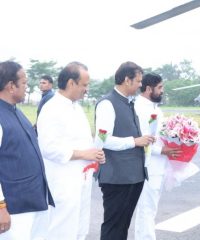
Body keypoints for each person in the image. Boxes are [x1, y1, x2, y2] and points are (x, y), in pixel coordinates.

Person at [37, 62, 105, 240]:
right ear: (71, 83)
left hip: (81, 178)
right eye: (84, 85)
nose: (87, 89)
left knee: (80, 227)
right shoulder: (52, 108)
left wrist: (94, 153)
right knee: (62, 229)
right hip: (63, 181)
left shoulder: (76, 107)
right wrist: (84, 154)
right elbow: (48, 147)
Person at [95, 61, 155, 240]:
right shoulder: (108, 103)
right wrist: (135, 141)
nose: (140, 85)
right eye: (138, 81)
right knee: (114, 225)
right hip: (117, 177)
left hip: (132, 176)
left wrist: (144, 138)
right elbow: (103, 139)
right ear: (127, 80)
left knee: (123, 225)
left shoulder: (129, 102)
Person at [0, 61, 54, 239]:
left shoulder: (17, 111)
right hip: (14, 209)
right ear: (10, 86)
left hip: (34, 201)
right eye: (23, 83)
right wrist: (1, 207)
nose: (27, 87)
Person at [134, 72, 181, 240]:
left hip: (159, 166)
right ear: (148, 89)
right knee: (146, 209)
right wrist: (162, 150)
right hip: (148, 166)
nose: (162, 91)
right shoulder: (139, 108)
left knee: (150, 209)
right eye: (160, 87)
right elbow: (142, 138)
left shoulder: (155, 108)